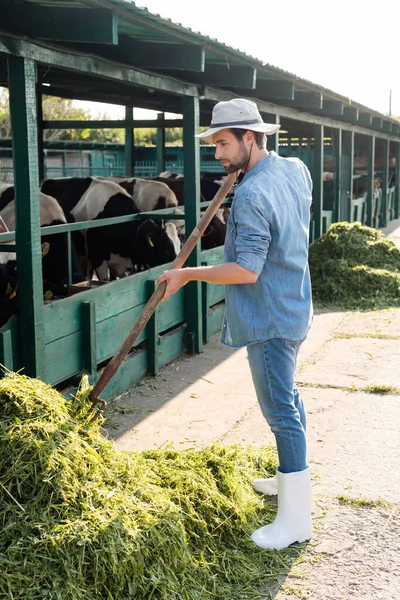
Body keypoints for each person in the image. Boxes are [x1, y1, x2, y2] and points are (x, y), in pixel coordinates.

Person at [156, 98, 313, 551]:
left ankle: (295, 521)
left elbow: (246, 270)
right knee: (289, 398)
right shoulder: (295, 169)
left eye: (223, 144)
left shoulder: (250, 194)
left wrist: (188, 273)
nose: (218, 155)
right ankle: (290, 481)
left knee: (280, 409)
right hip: (295, 301)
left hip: (268, 316)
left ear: (250, 137)